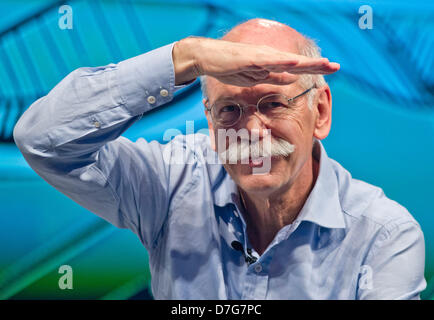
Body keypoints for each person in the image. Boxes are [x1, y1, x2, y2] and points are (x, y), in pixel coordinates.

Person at [13, 18, 426, 299]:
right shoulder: (171, 183)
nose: (252, 132)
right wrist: (184, 58)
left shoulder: (384, 237)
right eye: (230, 109)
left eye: (274, 104)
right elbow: (42, 140)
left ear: (319, 112)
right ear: (209, 120)